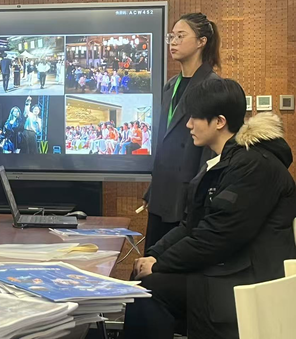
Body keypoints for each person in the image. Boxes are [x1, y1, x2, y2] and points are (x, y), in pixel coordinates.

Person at [124, 79, 296, 339]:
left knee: (147, 290)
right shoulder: (224, 162)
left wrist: (160, 265)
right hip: (228, 268)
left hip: (249, 280)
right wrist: (154, 255)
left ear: (219, 121)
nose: (188, 124)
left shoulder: (254, 166)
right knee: (140, 275)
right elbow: (191, 225)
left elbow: (219, 236)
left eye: (195, 117)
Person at [142, 13, 222, 251]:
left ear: (201, 42)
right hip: (162, 192)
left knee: (172, 261)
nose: (173, 42)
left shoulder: (212, 85)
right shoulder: (171, 85)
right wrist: (153, 188)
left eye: (180, 36)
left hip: (189, 194)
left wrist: (198, 194)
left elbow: (212, 149)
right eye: (171, 37)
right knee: (151, 260)